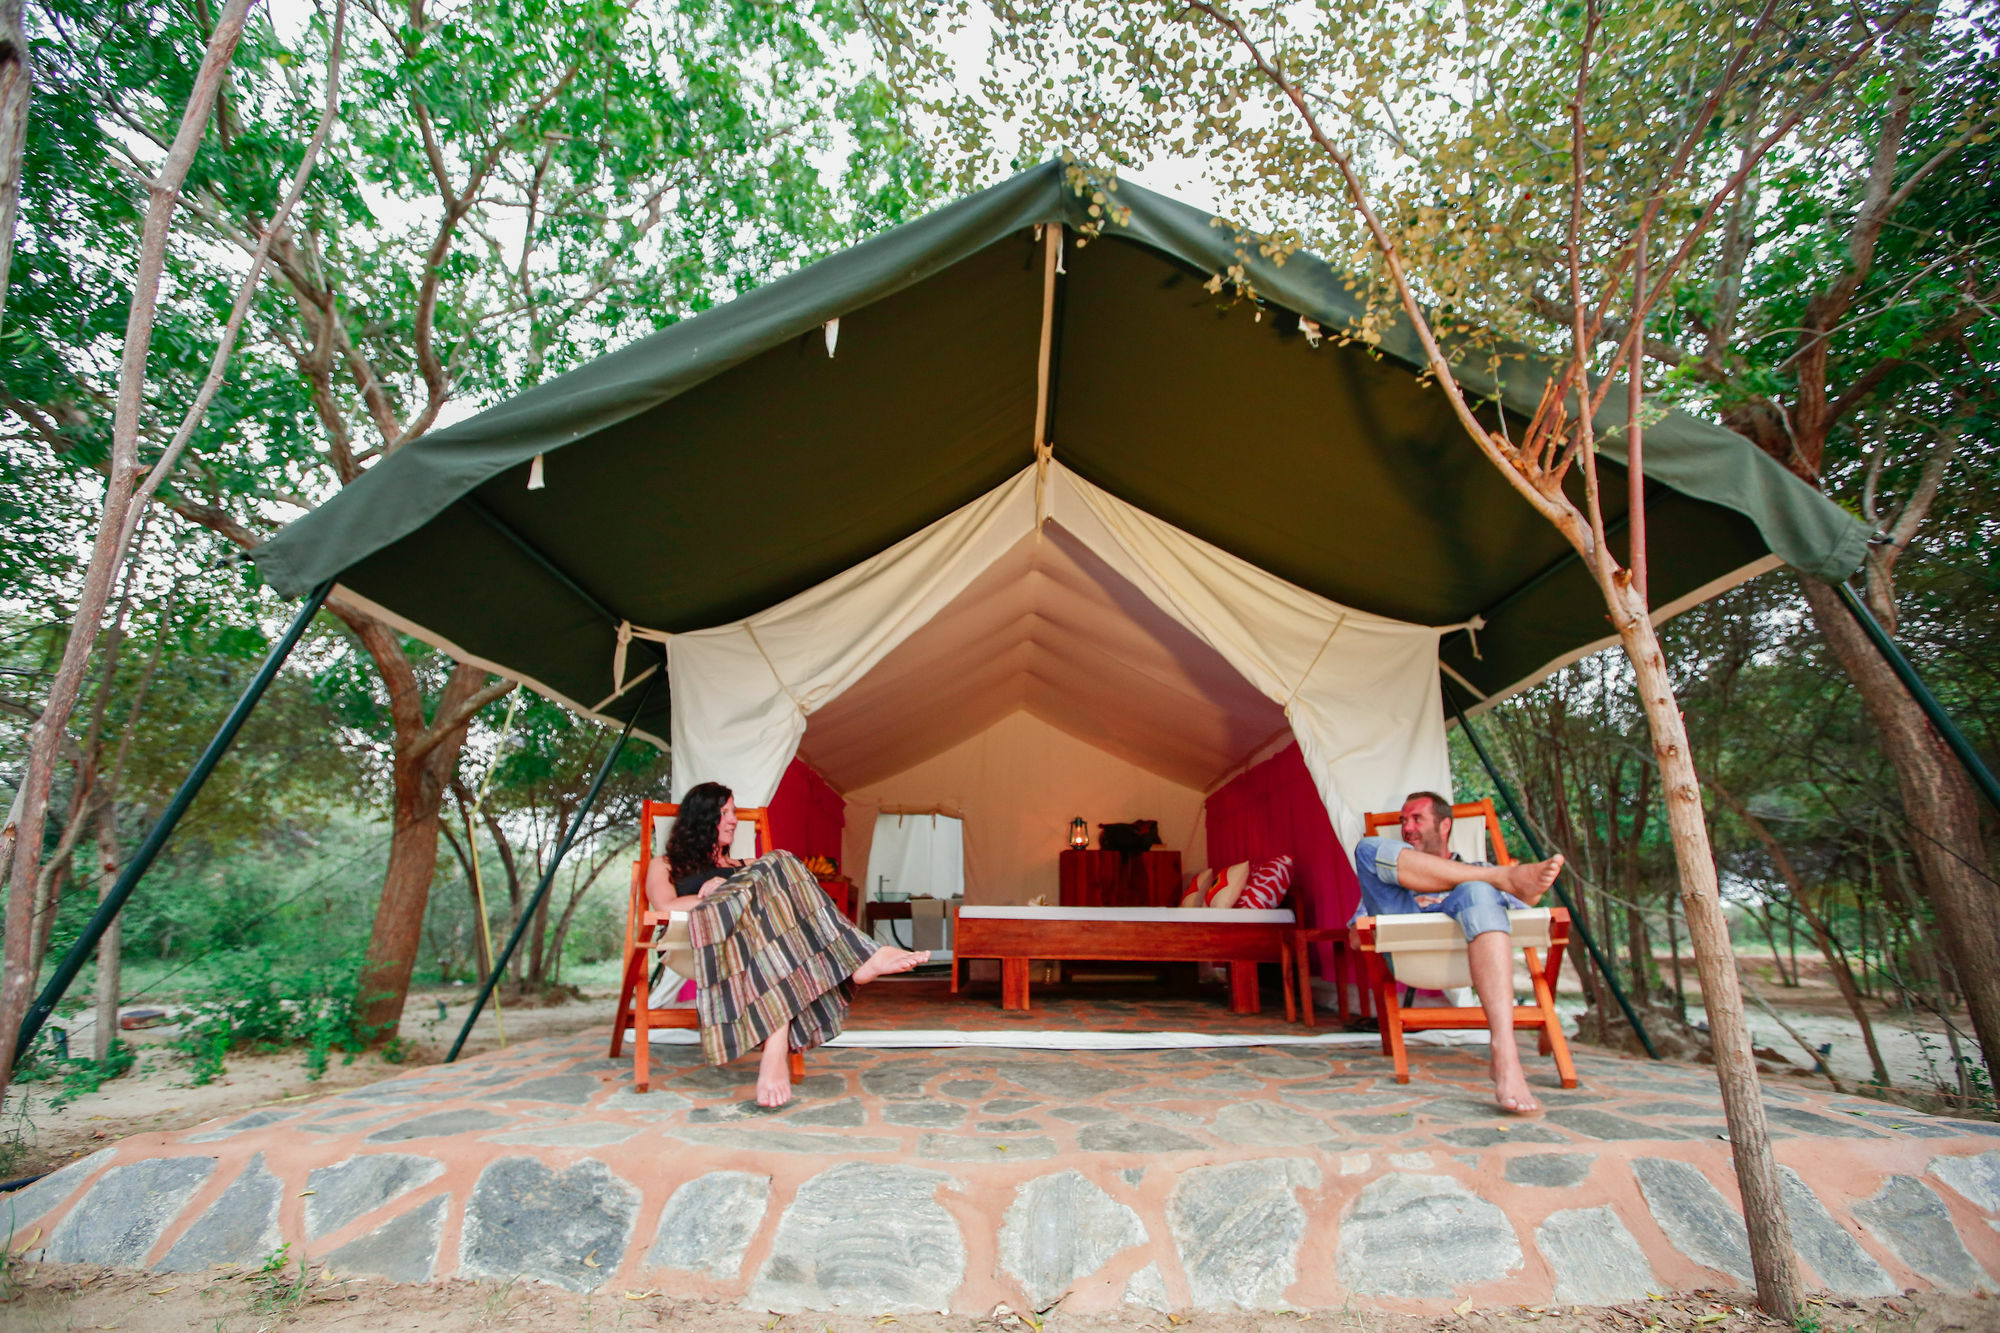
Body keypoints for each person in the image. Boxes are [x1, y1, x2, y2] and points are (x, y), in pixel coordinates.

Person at [643, 782, 927, 1108]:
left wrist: (735, 884)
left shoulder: (744, 866)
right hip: (698, 944)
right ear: (701, 818)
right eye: (725, 813)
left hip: (757, 946)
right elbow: (664, 907)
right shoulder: (665, 864)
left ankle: (776, 1049)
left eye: (734, 812)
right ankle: (858, 958)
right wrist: (719, 894)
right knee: (773, 928)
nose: (733, 820)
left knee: (780, 861)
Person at [1353, 792, 1565, 1114]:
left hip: (1472, 958)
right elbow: (1356, 938)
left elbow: (1528, 919)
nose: (1407, 828)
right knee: (1367, 848)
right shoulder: (1389, 878)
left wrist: (1478, 890)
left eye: (1416, 819)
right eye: (1403, 821)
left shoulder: (1476, 872)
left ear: (1445, 825)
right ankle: (1501, 877)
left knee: (1478, 890)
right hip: (1408, 948)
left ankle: (1504, 1052)